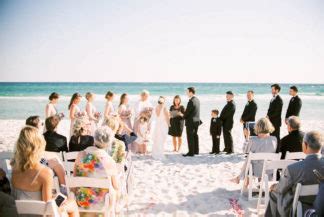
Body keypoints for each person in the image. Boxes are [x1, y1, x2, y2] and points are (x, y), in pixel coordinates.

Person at [11, 126, 79, 217]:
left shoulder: (14, 169)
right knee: (72, 203)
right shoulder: (44, 172)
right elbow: (48, 208)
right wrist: (59, 199)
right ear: (39, 146)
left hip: (19, 213)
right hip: (39, 214)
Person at [265, 131, 324, 217]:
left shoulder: (293, 168)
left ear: (305, 145)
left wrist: (274, 187)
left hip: (299, 206)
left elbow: (281, 188)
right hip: (320, 205)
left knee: (274, 193)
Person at [73, 126, 119, 215]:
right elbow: (115, 186)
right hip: (100, 203)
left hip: (82, 200)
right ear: (108, 143)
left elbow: (74, 178)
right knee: (115, 190)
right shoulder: (110, 161)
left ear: (94, 139)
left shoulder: (81, 155)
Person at [231, 118, 277, 187]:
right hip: (269, 170)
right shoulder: (274, 139)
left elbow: (244, 150)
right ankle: (241, 179)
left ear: (257, 127)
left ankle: (241, 180)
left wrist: (247, 137)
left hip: (256, 171)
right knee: (252, 160)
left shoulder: (252, 139)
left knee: (249, 160)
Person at [183, 87, 201, 157]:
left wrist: (182, 115)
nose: (186, 93)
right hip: (196, 121)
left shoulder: (191, 101)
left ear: (191, 92)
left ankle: (191, 152)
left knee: (190, 137)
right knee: (195, 136)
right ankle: (196, 151)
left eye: (187, 92)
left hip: (191, 122)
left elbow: (187, 113)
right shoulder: (197, 100)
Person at [267, 84, 283, 152]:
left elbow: (277, 112)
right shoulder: (273, 98)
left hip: (276, 121)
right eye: (272, 89)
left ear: (277, 90)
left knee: (276, 137)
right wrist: (267, 116)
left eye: (273, 89)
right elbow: (270, 109)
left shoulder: (279, 100)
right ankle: (273, 150)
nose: (271, 90)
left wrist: (269, 116)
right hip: (271, 121)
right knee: (271, 136)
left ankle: (277, 151)